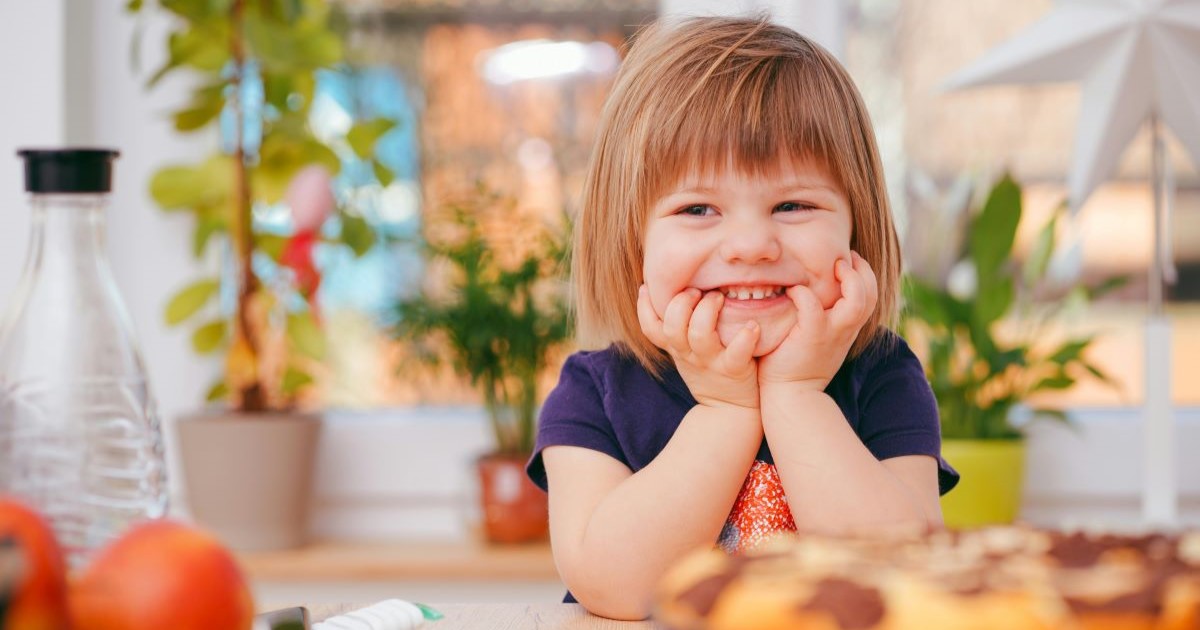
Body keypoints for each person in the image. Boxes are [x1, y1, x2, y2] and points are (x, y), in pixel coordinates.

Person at [524, 15, 959, 621]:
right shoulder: (594, 392)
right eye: (698, 207)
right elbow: (613, 588)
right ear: (632, 242)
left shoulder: (883, 375)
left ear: (857, 228)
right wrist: (725, 410)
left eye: (793, 204)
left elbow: (903, 579)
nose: (751, 244)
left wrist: (797, 397)